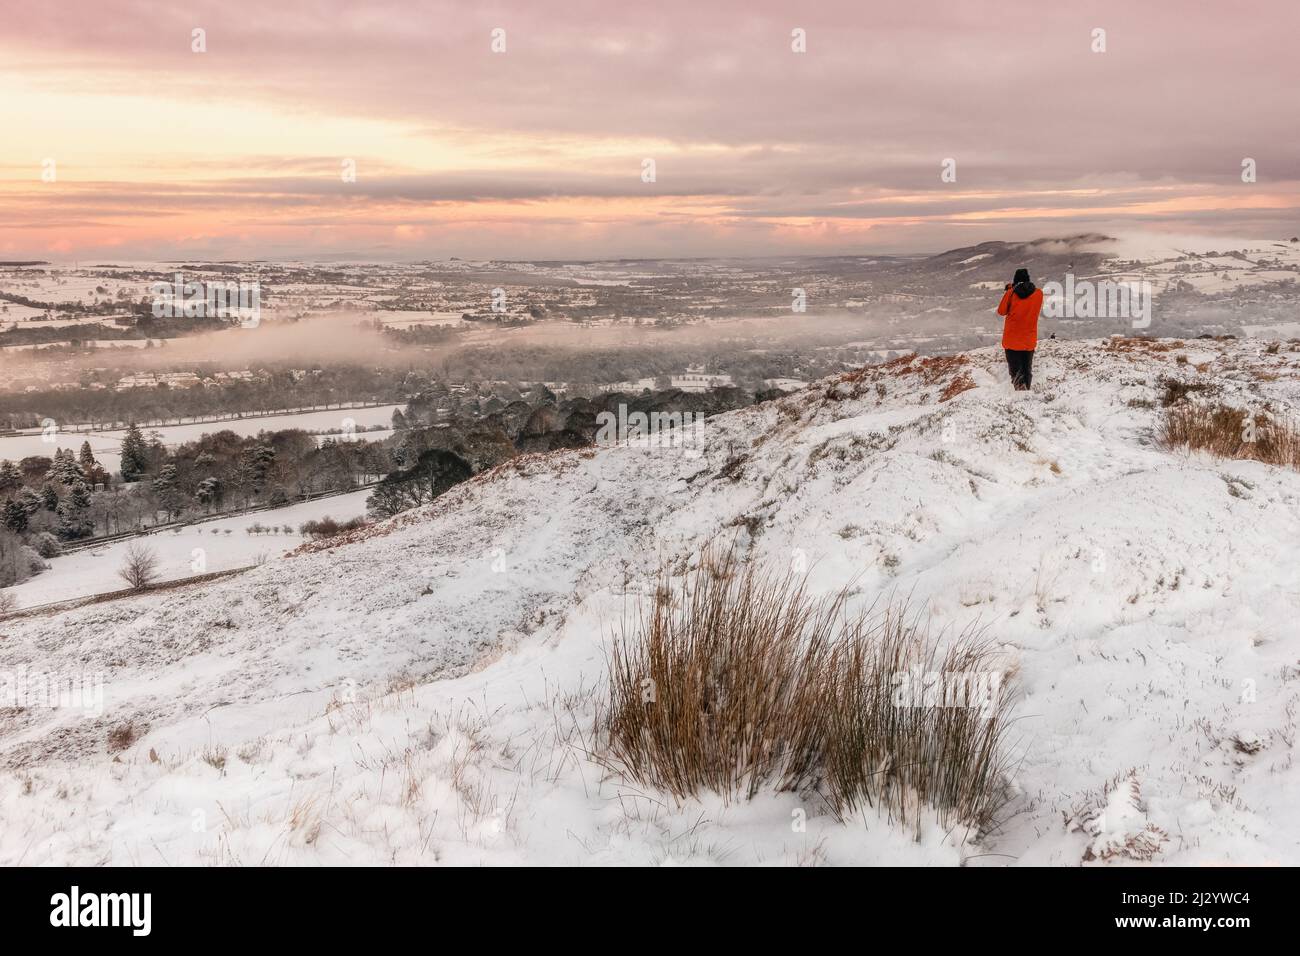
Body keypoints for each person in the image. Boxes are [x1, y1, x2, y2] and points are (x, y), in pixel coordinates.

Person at [996, 267, 1043, 390]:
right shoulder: (1038, 293)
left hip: (1012, 341)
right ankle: (1026, 394)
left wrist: (1010, 289)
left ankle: (1019, 395)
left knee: (1016, 372)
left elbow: (1001, 311)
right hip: (1029, 340)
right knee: (1027, 370)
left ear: (1015, 281)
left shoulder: (1011, 293)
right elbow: (1027, 292)